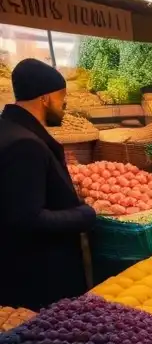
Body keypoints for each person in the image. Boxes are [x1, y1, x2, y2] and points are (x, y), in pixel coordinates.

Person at [0, 58, 96, 310]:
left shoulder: (8, 129)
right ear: (45, 99)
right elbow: (27, 219)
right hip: (38, 277)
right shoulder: (25, 144)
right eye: (61, 96)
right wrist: (84, 214)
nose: (64, 103)